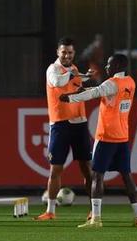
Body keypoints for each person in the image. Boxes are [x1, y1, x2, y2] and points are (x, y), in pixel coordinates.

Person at [59, 54, 137, 228]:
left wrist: (70, 97)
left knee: (97, 175)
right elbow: (102, 90)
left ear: (117, 65)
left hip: (106, 137)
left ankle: (96, 219)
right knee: (127, 176)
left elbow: (95, 93)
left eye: (109, 64)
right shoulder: (130, 82)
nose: (106, 67)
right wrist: (85, 90)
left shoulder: (111, 83)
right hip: (122, 137)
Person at [34, 37, 94, 221]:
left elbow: (77, 84)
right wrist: (76, 75)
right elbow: (58, 82)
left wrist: (86, 77)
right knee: (56, 169)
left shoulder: (74, 70)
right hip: (60, 124)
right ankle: (50, 211)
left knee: (87, 169)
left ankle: (94, 210)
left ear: (74, 53)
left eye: (70, 52)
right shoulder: (53, 69)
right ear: (57, 52)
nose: (67, 55)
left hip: (79, 122)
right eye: (64, 52)